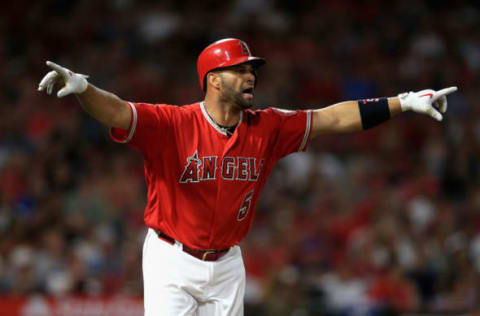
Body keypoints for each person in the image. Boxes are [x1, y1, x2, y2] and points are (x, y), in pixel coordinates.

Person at [37, 38, 457, 316]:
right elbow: (117, 111)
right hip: (171, 258)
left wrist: (402, 102)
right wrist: (82, 89)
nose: (250, 75)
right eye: (239, 69)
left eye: (251, 68)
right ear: (213, 80)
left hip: (228, 263)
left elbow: (333, 117)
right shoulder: (172, 124)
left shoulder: (268, 126)